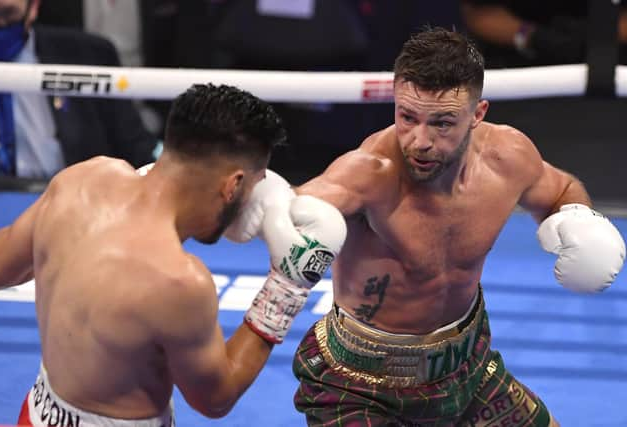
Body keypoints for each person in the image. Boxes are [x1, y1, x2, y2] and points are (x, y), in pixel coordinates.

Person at [226, 27, 626, 426]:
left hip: (467, 367)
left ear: (478, 115)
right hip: (358, 386)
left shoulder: (509, 156)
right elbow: (299, 205)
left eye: (442, 123)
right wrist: (265, 203)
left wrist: (577, 218)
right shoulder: (368, 173)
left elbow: (560, 189)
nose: (419, 141)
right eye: (407, 117)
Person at [0, 83, 347, 426]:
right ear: (233, 185)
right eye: (253, 186)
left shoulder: (78, 182)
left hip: (36, 414)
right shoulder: (179, 282)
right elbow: (215, 399)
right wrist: (285, 288)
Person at [0, 0, 158, 179]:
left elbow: (137, 148)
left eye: (8, 14)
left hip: (80, 199)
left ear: (34, 7)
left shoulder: (89, 56)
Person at [459, 0, 627, 68]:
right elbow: (477, 14)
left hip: (609, 72)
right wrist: (533, 37)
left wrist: (590, 35)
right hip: (513, 71)